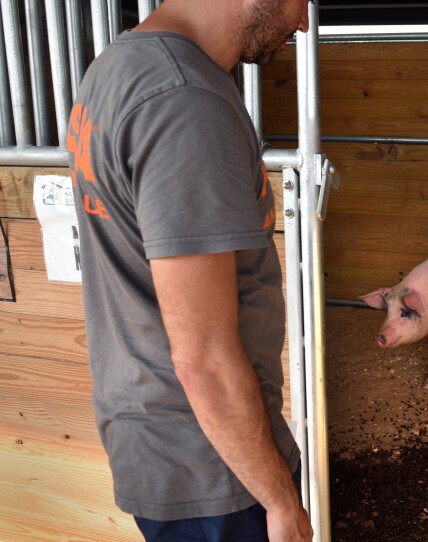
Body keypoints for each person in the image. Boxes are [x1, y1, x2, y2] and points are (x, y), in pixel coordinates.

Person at [65, 0, 313, 540]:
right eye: (300, 1)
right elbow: (203, 356)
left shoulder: (116, 66)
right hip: (212, 468)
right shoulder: (184, 102)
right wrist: (279, 502)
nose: (303, 21)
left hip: (161, 442)